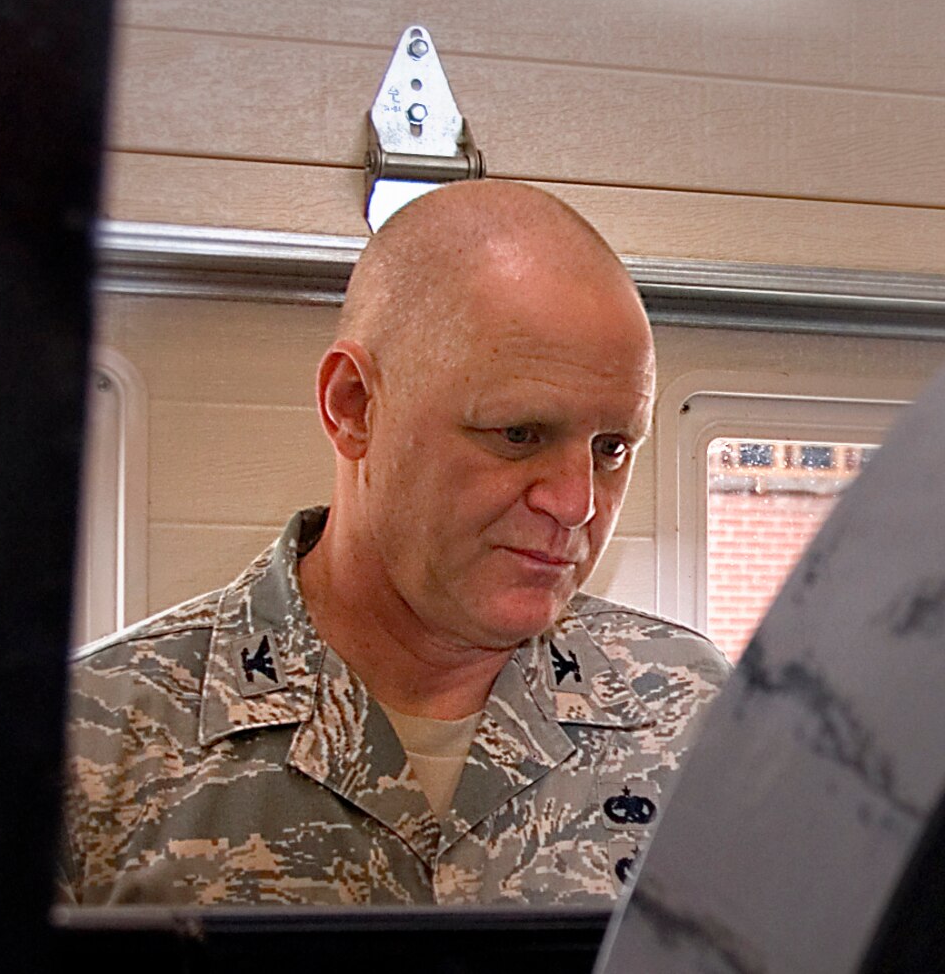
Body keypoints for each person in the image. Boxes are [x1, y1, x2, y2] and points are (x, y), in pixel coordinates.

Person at [60, 181, 728, 905]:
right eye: (518, 433)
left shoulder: (690, 714)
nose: (576, 503)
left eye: (612, 448)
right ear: (354, 406)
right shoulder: (93, 744)